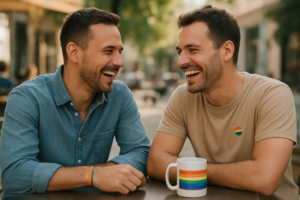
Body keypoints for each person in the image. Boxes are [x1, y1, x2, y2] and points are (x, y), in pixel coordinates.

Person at [147, 5, 299, 200]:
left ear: (227, 51)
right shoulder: (183, 97)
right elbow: (156, 164)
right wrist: (238, 174)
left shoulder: (272, 94)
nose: (181, 61)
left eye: (193, 50)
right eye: (180, 52)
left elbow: (264, 179)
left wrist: (194, 171)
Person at [1, 8, 151, 194]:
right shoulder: (27, 98)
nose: (120, 61)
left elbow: (142, 153)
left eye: (119, 51)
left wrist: (107, 174)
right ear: (74, 52)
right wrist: (92, 175)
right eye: (108, 51)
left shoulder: (119, 95)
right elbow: (14, 176)